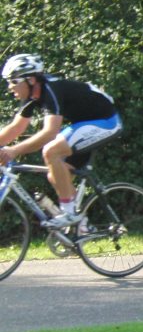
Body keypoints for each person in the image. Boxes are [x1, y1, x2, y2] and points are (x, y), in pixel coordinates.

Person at [0, 54, 122, 228]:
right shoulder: (33, 95)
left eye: (13, 81)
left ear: (31, 80)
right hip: (84, 124)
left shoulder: (51, 90)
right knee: (56, 174)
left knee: (51, 151)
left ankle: (69, 213)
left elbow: (50, 132)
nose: (10, 87)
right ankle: (82, 227)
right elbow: (16, 128)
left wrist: (13, 151)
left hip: (107, 122)